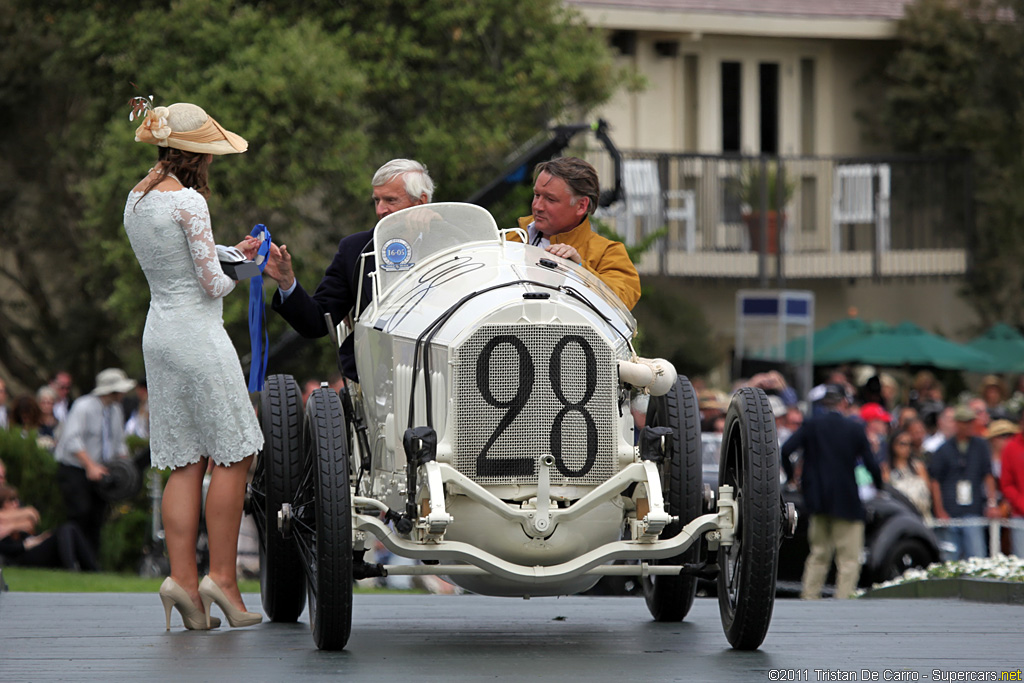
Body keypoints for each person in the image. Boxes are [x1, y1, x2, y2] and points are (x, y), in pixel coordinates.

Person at [126, 101, 262, 631]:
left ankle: (183, 581)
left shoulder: (135, 199)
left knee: (184, 459)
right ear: (197, 154)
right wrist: (247, 267)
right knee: (237, 450)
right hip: (198, 335)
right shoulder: (189, 202)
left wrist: (228, 249)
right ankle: (222, 580)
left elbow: (179, 263)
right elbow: (212, 284)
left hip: (159, 332)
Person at [263, 159, 434, 383]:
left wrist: (439, 231)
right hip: (378, 374)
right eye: (377, 200)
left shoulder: (459, 242)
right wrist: (287, 281)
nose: (380, 210)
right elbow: (316, 322)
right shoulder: (355, 249)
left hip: (448, 364)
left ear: (419, 202)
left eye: (390, 200)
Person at [781, 384, 883, 599]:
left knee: (818, 553)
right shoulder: (854, 428)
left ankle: (810, 595)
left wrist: (793, 477)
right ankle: (843, 599)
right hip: (846, 499)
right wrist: (879, 486)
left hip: (817, 499)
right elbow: (871, 463)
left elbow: (787, 449)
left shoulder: (811, 425)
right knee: (848, 558)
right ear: (844, 403)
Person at [509, 157, 640, 310]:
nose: (537, 206)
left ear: (581, 206)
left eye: (550, 199)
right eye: (537, 195)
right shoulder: (508, 241)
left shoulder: (608, 253)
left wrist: (578, 269)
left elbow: (621, 303)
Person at [53, 368, 135, 555]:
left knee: (97, 517)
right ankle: (72, 557)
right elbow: (72, 440)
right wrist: (90, 465)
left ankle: (91, 561)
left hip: (101, 471)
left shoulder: (115, 410)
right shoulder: (84, 407)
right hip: (75, 469)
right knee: (80, 513)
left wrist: (126, 466)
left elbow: (118, 443)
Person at [928, 403, 1000, 561]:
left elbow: (988, 475)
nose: (969, 425)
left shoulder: (981, 446)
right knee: (950, 558)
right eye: (965, 421)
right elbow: (935, 481)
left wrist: (992, 503)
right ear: (957, 423)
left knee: (977, 557)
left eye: (971, 421)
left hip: (973, 510)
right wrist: (939, 510)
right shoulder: (943, 449)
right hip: (950, 511)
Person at [0, 484, 99, 571]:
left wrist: (37, 538)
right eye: (11, 500)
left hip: (32, 547)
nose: (16, 504)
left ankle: (92, 569)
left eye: (16, 500)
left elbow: (33, 517)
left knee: (69, 528)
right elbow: (8, 548)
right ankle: (73, 568)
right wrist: (27, 543)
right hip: (22, 556)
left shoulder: (16, 518)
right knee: (66, 529)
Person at [886, 428, 932, 520]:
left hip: (921, 515)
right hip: (898, 516)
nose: (907, 448)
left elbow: (927, 491)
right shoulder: (886, 469)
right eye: (903, 444)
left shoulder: (918, 467)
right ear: (893, 445)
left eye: (910, 444)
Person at [999, 412, 1024, 557]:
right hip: (1019, 516)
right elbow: (1007, 484)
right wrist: (1022, 504)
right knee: (1021, 561)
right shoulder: (1011, 448)